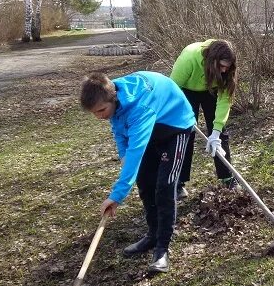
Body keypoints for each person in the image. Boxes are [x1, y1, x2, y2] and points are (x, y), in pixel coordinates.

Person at [80, 71, 195, 273]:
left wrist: (116, 196)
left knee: (165, 187)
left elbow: (136, 151)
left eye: (101, 110)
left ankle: (162, 250)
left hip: (175, 125)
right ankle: (152, 235)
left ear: (113, 98)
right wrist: (123, 154)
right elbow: (118, 128)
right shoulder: (110, 94)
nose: (99, 116)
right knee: (144, 182)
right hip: (152, 124)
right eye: (94, 113)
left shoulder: (139, 107)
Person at [170, 39, 238, 197]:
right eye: (221, 66)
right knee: (185, 135)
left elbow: (224, 101)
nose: (223, 71)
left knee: (220, 136)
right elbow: (172, 89)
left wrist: (215, 131)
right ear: (211, 61)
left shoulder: (226, 72)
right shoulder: (189, 58)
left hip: (211, 90)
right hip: (185, 90)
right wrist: (183, 114)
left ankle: (227, 178)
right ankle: (178, 183)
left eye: (227, 68)